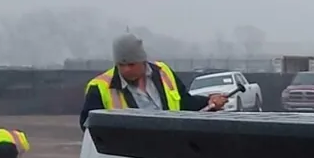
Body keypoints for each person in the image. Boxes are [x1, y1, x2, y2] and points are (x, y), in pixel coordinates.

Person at [79, 32, 225, 128]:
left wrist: (209, 103)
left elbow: (185, 104)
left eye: (131, 64)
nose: (126, 70)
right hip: (128, 157)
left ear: (143, 60)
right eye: (121, 65)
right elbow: (89, 126)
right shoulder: (100, 87)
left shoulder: (163, 72)